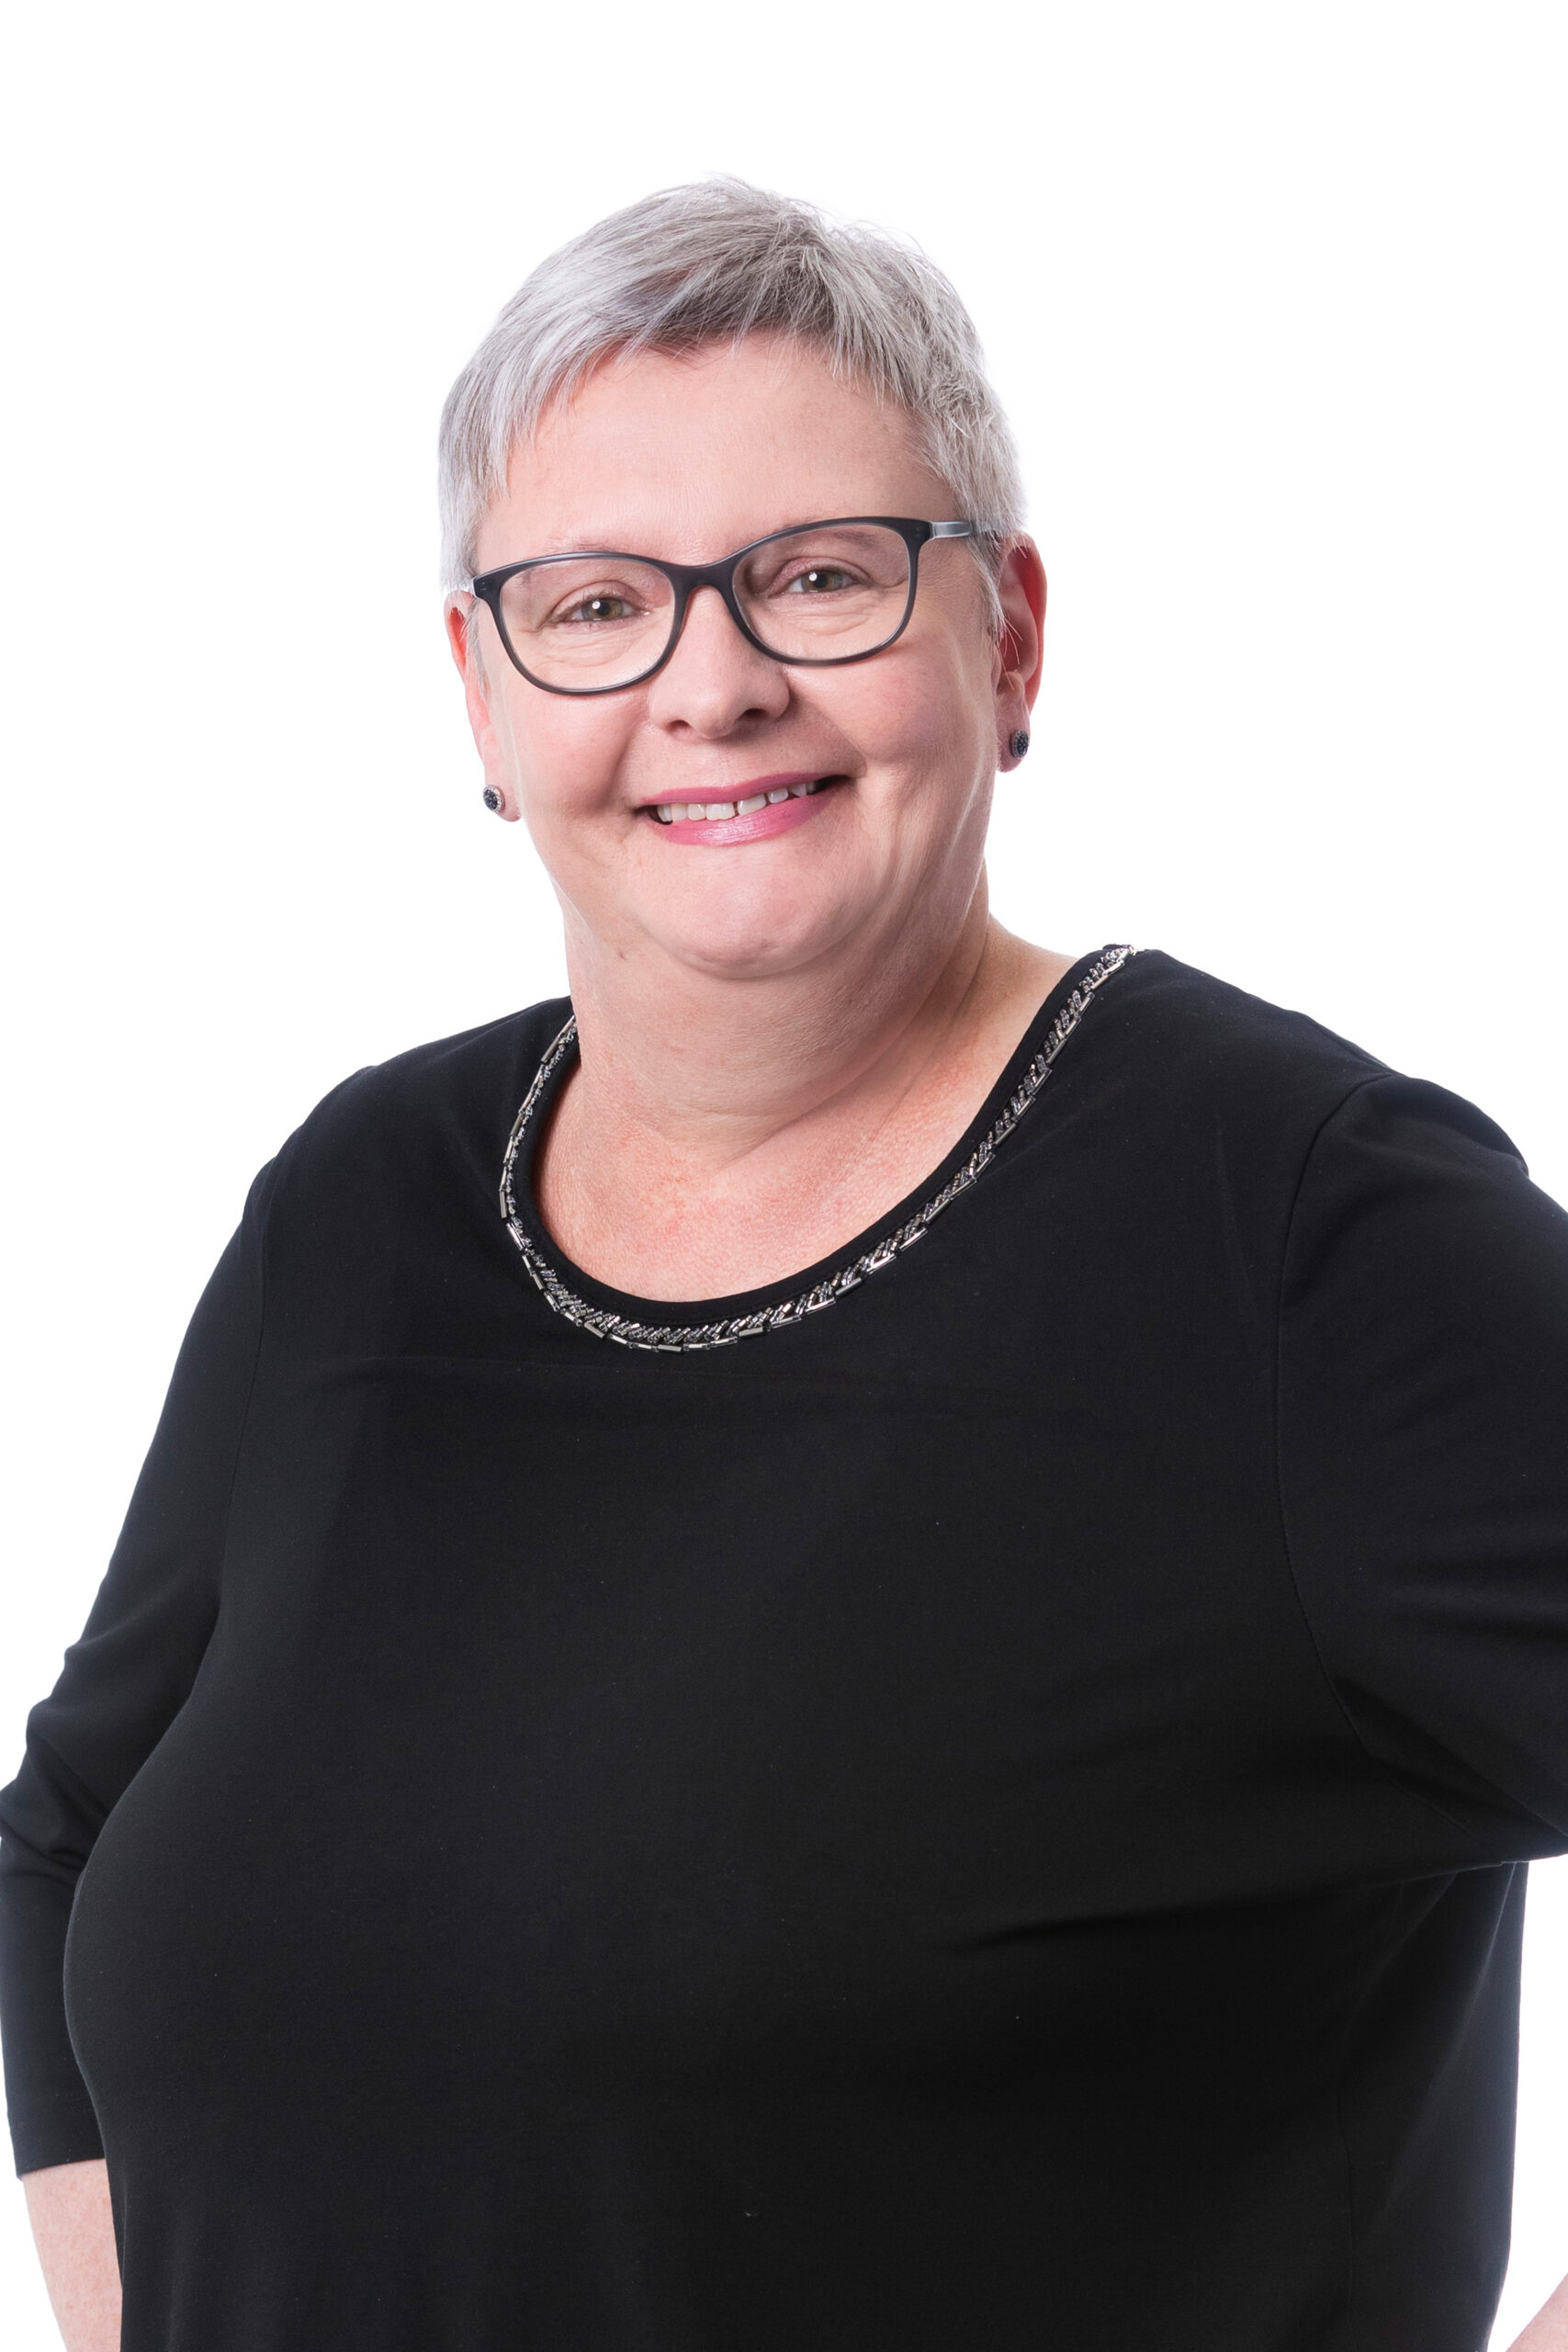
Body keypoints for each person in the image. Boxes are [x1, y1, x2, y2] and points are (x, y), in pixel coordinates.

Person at [3, 176, 1566, 2352]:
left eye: (819, 576)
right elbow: (72, 1835)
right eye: (591, 603)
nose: (711, 684)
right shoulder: (364, 1204)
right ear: (480, 694)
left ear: (1006, 635)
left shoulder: (1300, 1230)